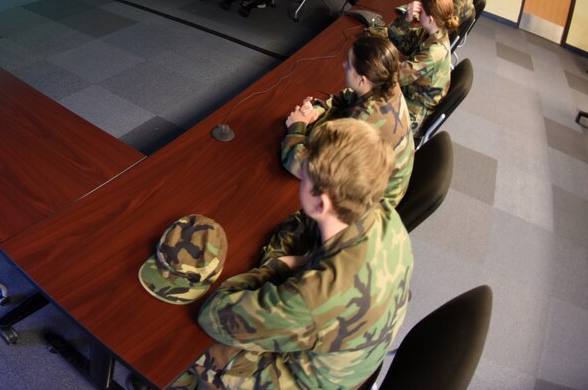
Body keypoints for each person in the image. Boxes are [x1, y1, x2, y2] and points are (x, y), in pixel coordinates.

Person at [169, 118, 412, 390]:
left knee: (193, 346)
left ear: (322, 202)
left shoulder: (310, 300)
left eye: (305, 174)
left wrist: (281, 266)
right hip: (356, 358)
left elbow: (214, 315)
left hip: (310, 380)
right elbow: (303, 226)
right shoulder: (387, 218)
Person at [280, 34, 414, 208]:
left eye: (349, 65)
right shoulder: (386, 82)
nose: (343, 65)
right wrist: (316, 111)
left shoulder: (364, 120)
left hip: (370, 207)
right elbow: (346, 99)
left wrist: (297, 127)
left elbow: (309, 169)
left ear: (362, 79)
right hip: (383, 178)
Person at [386, 0, 457, 132]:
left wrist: (376, 60)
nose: (418, 13)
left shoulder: (434, 51)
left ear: (431, 19)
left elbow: (399, 75)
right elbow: (400, 40)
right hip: (410, 93)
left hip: (415, 110)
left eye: (421, 11)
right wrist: (406, 18)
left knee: (368, 117)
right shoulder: (431, 32)